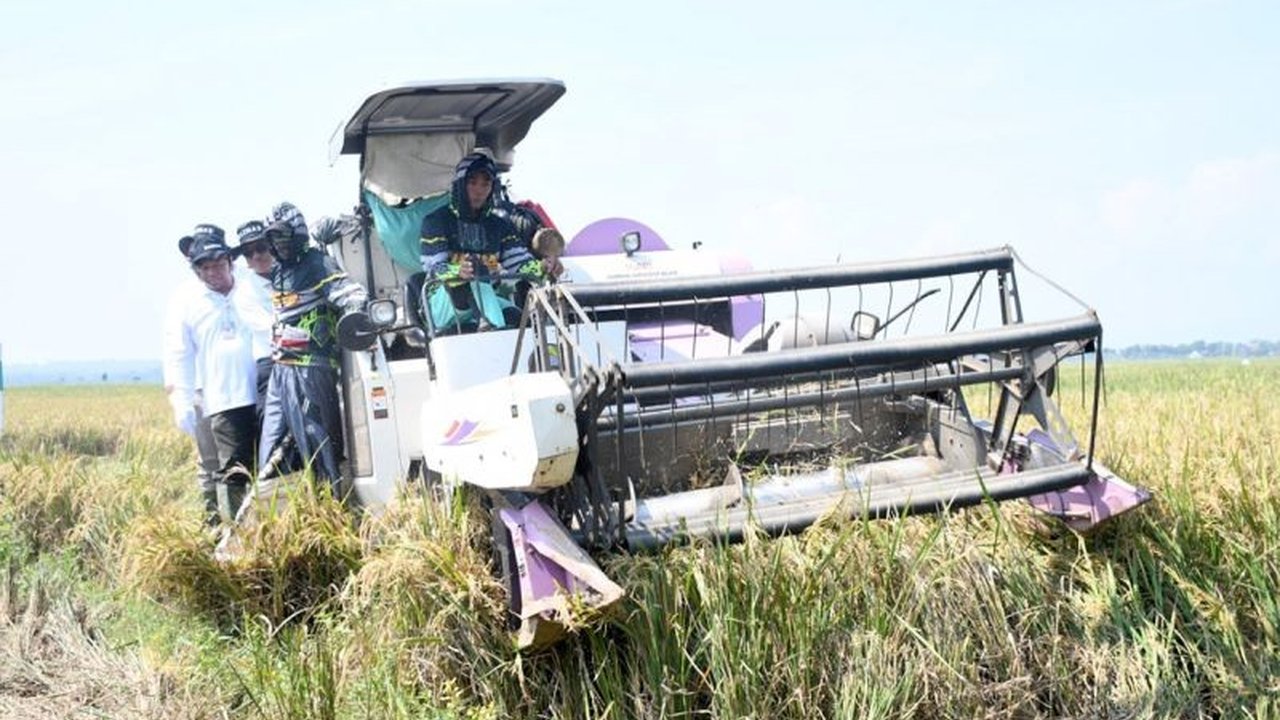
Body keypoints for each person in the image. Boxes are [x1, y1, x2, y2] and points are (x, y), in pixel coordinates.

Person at [256, 202, 368, 495]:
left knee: (318, 444)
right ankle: (278, 514)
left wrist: (356, 312)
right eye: (271, 238)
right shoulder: (279, 271)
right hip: (280, 371)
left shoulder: (317, 263)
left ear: (296, 234)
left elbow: (351, 293)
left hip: (309, 369)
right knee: (271, 447)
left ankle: (331, 506)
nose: (276, 245)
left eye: (281, 236)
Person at [163, 225, 271, 526]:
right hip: (224, 398)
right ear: (196, 271)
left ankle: (271, 528)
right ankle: (232, 534)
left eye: (218, 265)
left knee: (271, 466)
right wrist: (181, 400)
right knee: (232, 470)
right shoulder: (185, 300)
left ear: (230, 261)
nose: (213, 273)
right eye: (205, 268)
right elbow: (178, 354)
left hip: (265, 393)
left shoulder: (254, 285)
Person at [419, 152, 544, 332]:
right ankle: (492, 327)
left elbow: (521, 263)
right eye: (472, 182)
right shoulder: (435, 221)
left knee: (521, 320)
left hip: (486, 299)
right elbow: (433, 268)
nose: (479, 190)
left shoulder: (500, 224)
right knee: (476, 268)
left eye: (486, 184)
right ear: (460, 184)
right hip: (443, 304)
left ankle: (492, 326)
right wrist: (458, 270)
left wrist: (543, 268)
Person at [234, 219, 276, 420]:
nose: (257, 256)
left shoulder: (296, 276)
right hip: (272, 362)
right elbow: (270, 328)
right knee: (270, 420)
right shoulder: (244, 292)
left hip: (309, 361)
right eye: (249, 253)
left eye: (261, 248)